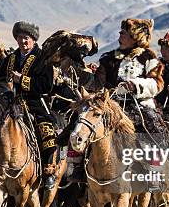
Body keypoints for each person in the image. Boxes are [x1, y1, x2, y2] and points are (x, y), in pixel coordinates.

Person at [69, 18, 164, 183]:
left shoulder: (149, 58)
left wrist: (135, 85)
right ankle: (78, 165)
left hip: (139, 105)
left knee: (153, 129)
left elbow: (157, 83)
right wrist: (79, 75)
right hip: (111, 105)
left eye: (124, 33)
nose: (119, 35)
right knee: (81, 123)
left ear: (135, 36)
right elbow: (97, 83)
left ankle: (154, 173)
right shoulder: (109, 58)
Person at [0, 21, 58, 189]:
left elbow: (46, 86)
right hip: (10, 103)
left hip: (35, 103)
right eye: (20, 38)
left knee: (47, 131)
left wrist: (21, 80)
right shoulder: (10, 59)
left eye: (26, 38)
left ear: (34, 39)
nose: (23, 41)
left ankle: (49, 171)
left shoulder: (43, 58)